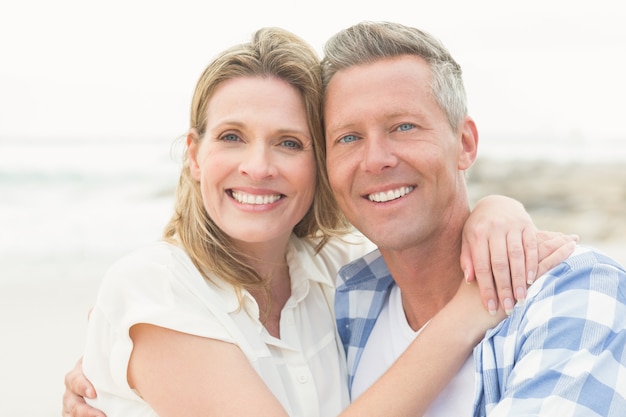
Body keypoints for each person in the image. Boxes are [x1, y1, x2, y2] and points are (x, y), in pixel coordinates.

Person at [61, 27, 576, 417]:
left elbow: (420, 231)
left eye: (289, 142)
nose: (258, 167)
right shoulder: (154, 286)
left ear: (321, 163)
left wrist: (496, 210)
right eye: (232, 136)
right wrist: (468, 313)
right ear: (194, 155)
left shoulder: (339, 276)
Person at [321, 21, 626, 415]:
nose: (376, 159)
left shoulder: (577, 293)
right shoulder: (346, 303)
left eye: (404, 127)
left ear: (465, 144)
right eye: (348, 137)